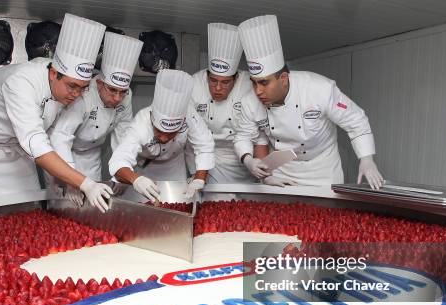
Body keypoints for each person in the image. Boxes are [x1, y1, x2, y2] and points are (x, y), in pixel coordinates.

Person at [0, 14, 113, 212]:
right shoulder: (21, 81)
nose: (76, 94)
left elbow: (56, 140)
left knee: (26, 211)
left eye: (83, 88)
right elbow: (36, 143)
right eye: (72, 86)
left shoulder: (74, 94)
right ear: (53, 73)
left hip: (17, 146)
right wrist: (86, 183)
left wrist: (68, 179)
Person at [235, 15, 384, 189]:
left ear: (283, 78)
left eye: (264, 83)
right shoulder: (249, 102)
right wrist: (249, 161)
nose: (258, 91)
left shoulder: (319, 89)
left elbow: (355, 120)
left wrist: (366, 159)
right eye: (253, 82)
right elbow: (243, 136)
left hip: (323, 169)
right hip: (282, 170)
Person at [48, 32, 143, 203]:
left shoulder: (126, 96)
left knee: (93, 207)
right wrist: (70, 180)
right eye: (112, 90)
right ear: (99, 84)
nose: (117, 98)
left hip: (92, 155)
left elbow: (124, 137)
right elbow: (61, 137)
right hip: (62, 154)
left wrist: (123, 171)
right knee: (63, 208)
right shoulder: (84, 96)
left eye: (122, 91)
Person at [109, 69, 215, 202]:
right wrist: (135, 179)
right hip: (146, 171)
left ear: (182, 122)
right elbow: (119, 160)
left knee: (179, 204)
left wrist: (199, 179)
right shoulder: (141, 123)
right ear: (152, 119)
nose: (164, 138)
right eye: (159, 131)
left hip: (175, 166)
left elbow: (204, 144)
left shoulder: (189, 115)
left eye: (171, 133)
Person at [187, 23, 255, 184]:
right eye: (213, 80)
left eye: (225, 82)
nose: (217, 88)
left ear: (236, 78)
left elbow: (258, 131)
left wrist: (253, 161)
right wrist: (196, 174)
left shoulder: (250, 85)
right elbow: (186, 132)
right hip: (203, 153)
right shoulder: (193, 84)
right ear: (206, 75)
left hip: (240, 156)